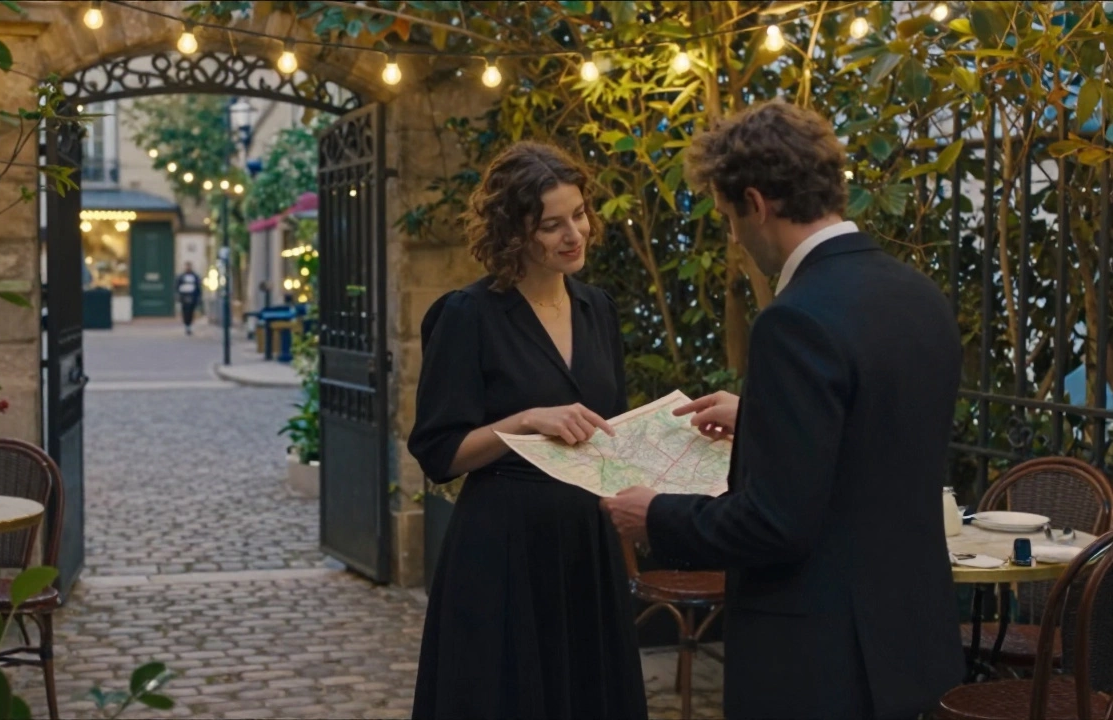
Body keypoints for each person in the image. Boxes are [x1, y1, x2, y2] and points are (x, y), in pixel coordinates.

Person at [601, 100, 964, 720]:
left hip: (819, 661)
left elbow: (775, 524)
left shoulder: (793, 320)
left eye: (728, 218)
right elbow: (875, 436)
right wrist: (763, 417)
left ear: (756, 203)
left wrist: (655, 516)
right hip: (914, 643)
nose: (734, 238)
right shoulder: (920, 295)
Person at [408, 141, 647, 720]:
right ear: (514, 231)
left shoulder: (598, 309)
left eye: (579, 215)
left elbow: (610, 426)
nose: (574, 234)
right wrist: (523, 421)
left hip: (588, 547)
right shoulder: (466, 315)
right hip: (503, 552)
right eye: (551, 225)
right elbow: (439, 452)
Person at [176, 262, 201, 335]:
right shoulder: (181, 276)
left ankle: (189, 325)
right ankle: (186, 325)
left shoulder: (195, 276)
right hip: (184, 296)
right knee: (185, 311)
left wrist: (198, 296)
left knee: (191, 311)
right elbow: (177, 286)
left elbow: (198, 287)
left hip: (192, 296)